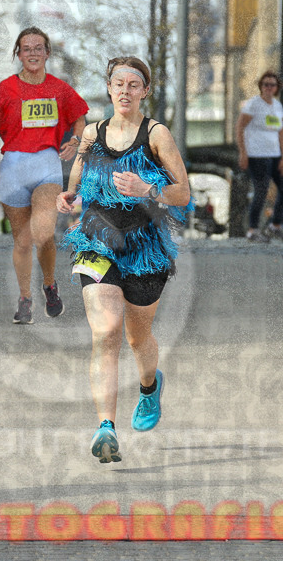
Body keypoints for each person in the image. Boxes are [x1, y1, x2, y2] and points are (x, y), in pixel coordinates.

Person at [56, 56, 192, 463]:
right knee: (106, 330)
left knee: (137, 338)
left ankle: (149, 387)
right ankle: (106, 428)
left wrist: (148, 189)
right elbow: (76, 182)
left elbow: (183, 194)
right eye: (119, 83)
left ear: (145, 91)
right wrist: (70, 198)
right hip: (97, 242)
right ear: (110, 88)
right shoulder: (92, 134)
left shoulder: (156, 134)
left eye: (135, 85)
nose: (125, 91)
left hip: (145, 250)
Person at [0, 27, 88, 323]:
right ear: (18, 54)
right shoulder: (5, 89)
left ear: (47, 53)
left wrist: (75, 140)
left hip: (46, 164)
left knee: (43, 233)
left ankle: (49, 284)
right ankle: (25, 299)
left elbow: (80, 117)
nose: (33, 53)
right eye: (27, 48)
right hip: (12, 167)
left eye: (39, 48)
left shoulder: (59, 88)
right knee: (23, 241)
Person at [235, 70, 283, 243]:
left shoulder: (277, 106)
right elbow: (240, 128)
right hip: (257, 155)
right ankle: (252, 230)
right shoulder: (253, 104)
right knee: (261, 191)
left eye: (272, 85)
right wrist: (243, 152)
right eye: (265, 84)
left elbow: (281, 133)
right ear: (261, 86)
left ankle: (275, 225)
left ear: (277, 87)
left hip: (275, 154)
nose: (269, 87)